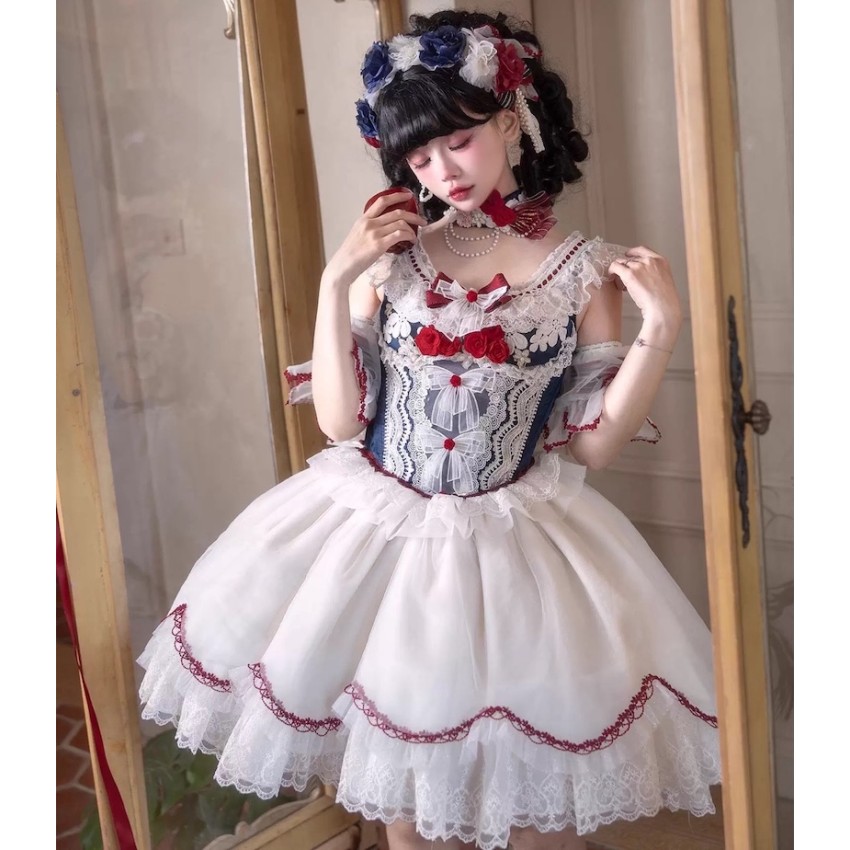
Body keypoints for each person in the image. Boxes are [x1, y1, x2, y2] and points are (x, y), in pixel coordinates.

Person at [137, 10, 721, 850]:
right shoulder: (392, 261)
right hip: (377, 542)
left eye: (458, 142)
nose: (442, 171)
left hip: (519, 551)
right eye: (419, 157)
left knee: (534, 815)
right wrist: (337, 279)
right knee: (405, 813)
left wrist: (661, 328)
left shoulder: (583, 271)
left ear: (511, 120)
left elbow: (592, 446)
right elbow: (340, 423)